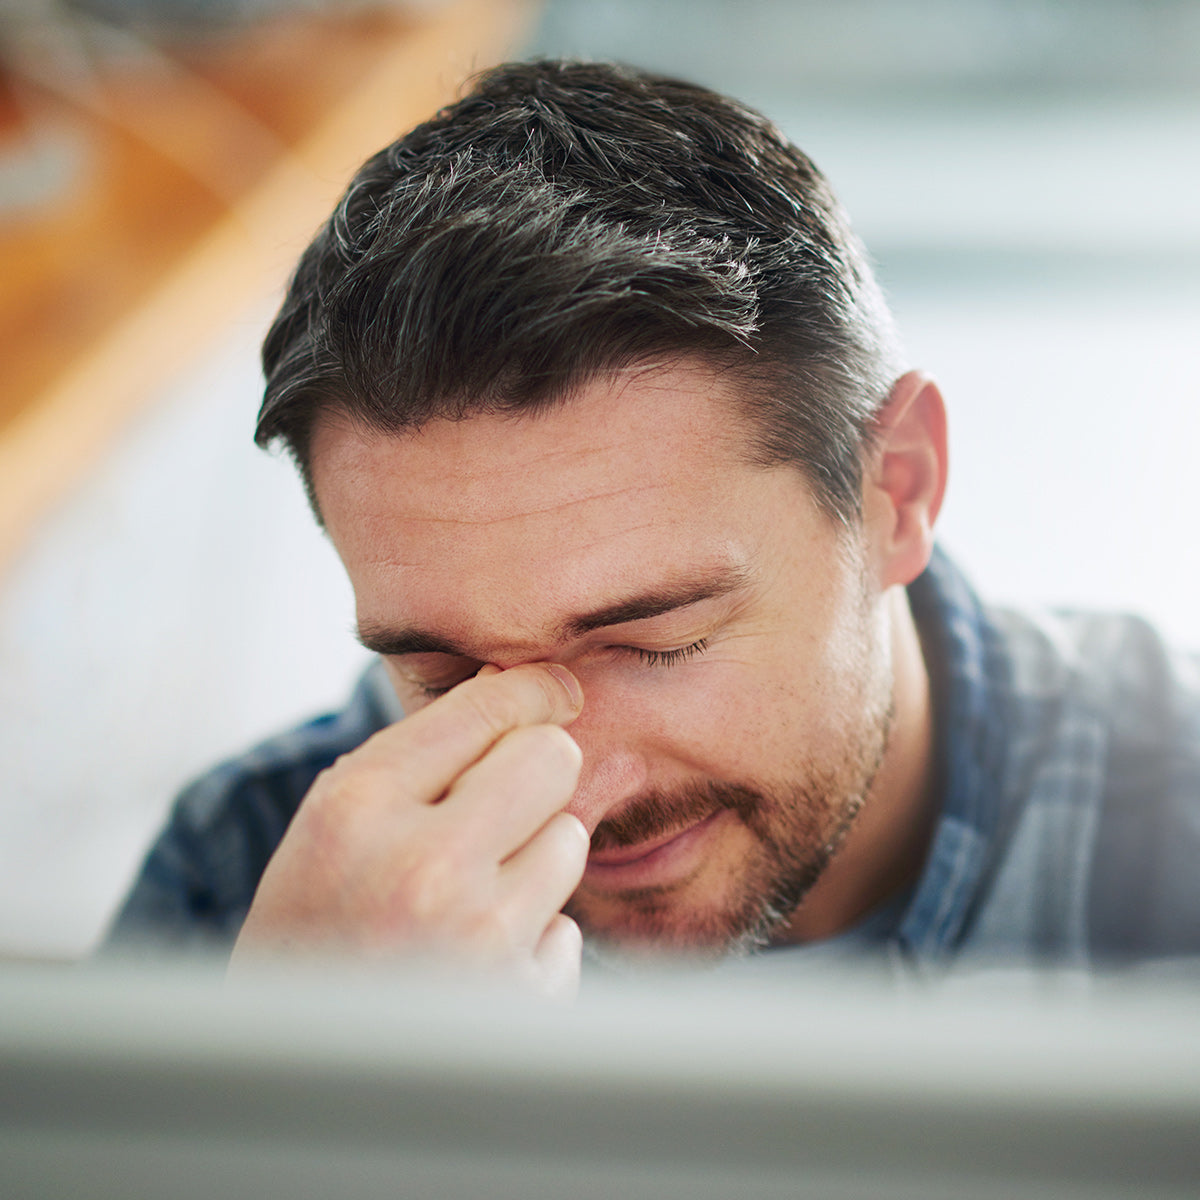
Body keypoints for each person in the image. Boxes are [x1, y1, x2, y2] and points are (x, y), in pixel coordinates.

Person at [106, 59, 1200, 992]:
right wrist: (312, 1097)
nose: (572, 794)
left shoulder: (1173, 813)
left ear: (898, 488)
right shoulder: (256, 895)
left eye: (656, 643)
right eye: (446, 677)